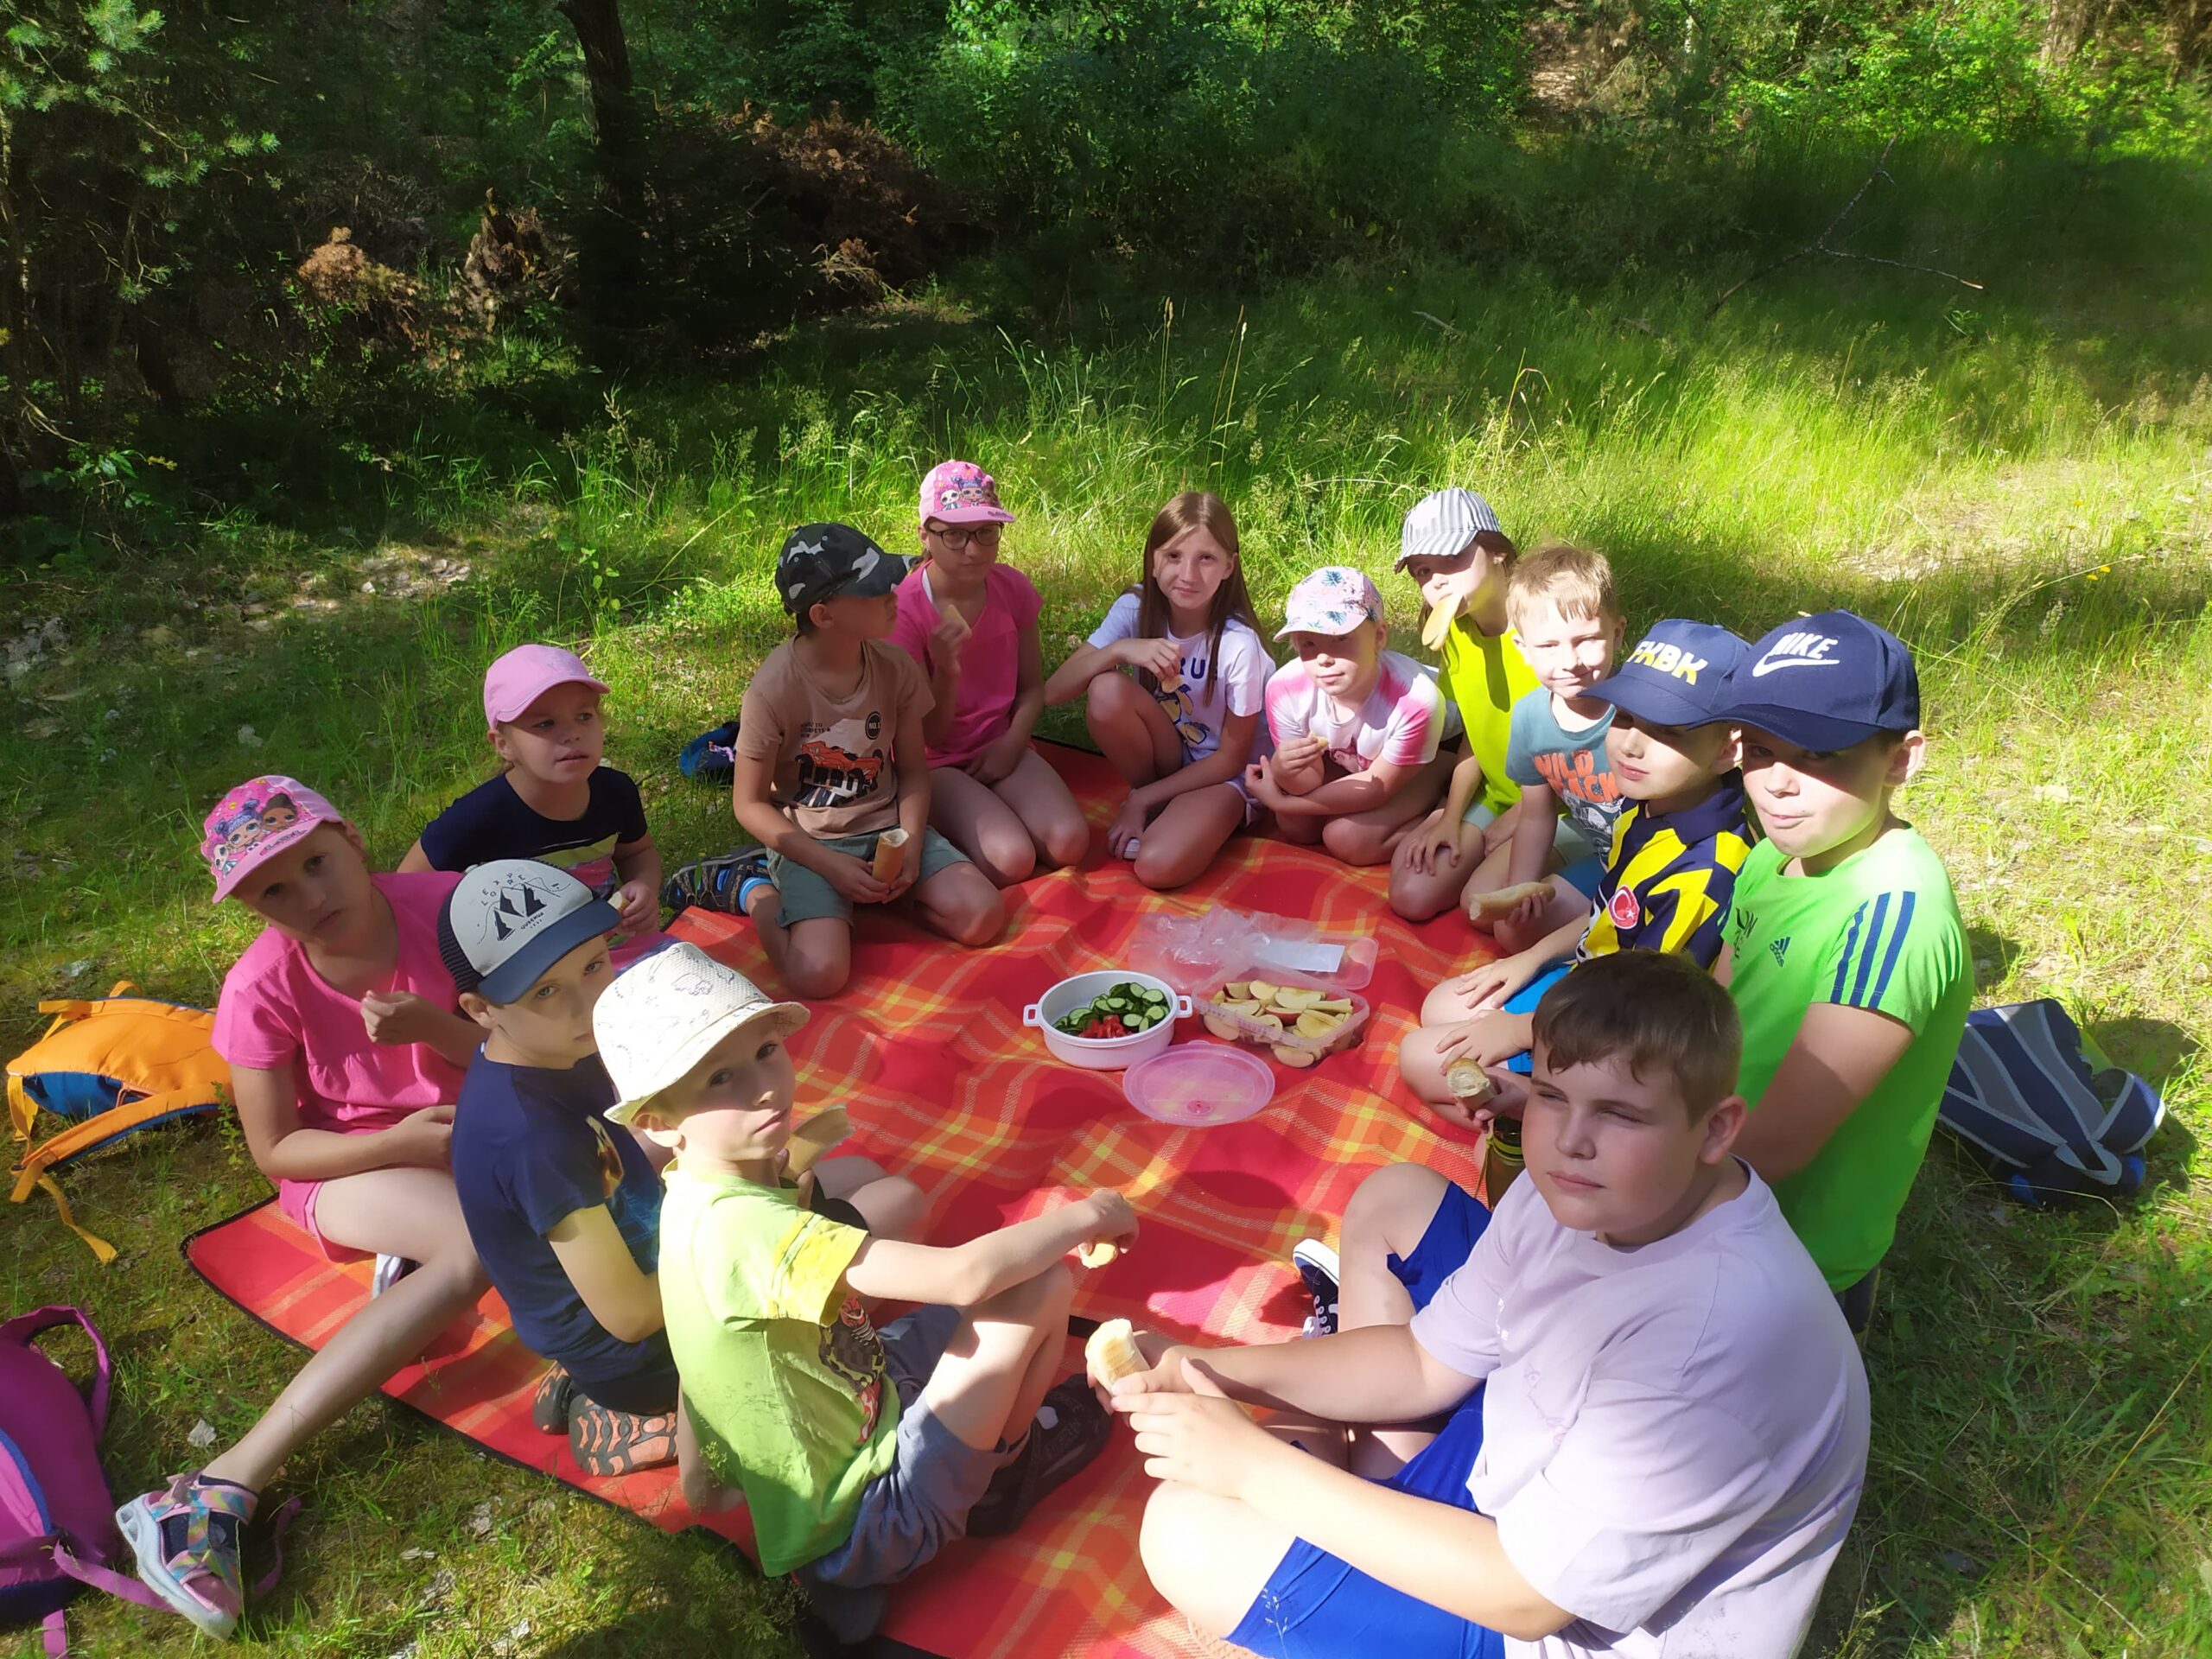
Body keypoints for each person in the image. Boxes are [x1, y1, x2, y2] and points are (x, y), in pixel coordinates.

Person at [1110, 952, 1871, 1659]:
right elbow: (1422, 1362)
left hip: (1557, 1622)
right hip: (1524, 1466)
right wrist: (1208, 1365)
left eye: (1621, 1114)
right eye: (1551, 1096)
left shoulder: (1707, 1339)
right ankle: (1367, 1481)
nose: (1571, 1141)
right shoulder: (1586, 1188)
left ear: (1717, 1129)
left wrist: (1254, 1471)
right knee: (1397, 1196)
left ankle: (1350, 1484)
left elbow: (1530, 1599)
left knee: (1186, 1530)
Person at [594, 944, 1131, 1621]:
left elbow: (697, 1345)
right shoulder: (748, 1230)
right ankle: (1007, 1471)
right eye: (720, 1078)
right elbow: (964, 1276)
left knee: (997, 1291)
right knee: (1039, 1286)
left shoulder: (694, 1194)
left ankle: (950, 1472)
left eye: (766, 1051)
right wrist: (1091, 1213)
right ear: (658, 1122)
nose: (764, 1087)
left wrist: (704, 1480)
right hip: (872, 1516)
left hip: (854, 1409)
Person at [119, 778, 489, 1641]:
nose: (310, 897)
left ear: (352, 841)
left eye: (317, 864)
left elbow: (533, 1042)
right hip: (348, 1160)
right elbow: (277, 1150)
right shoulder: (260, 987)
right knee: (475, 1250)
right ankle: (217, 1486)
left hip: (479, 1121)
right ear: (251, 907)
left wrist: (437, 1033)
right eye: (274, 891)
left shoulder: (454, 908)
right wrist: (396, 1144)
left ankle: (413, 1268)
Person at [1713, 611, 1973, 1329]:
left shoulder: (1896, 914)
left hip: (1790, 1252)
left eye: (1820, 755)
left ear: (1901, 760)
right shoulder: (1772, 854)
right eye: (1760, 750)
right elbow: (1714, 1010)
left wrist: (1630, 1164)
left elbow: (1779, 1144)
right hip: (1704, 1170)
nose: (1777, 784)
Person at [1398, 620, 1754, 1114]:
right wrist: (1531, 958)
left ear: (1729, 749)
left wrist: (1521, 1029)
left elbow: (1644, 1016)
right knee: (1440, 1006)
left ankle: (1552, 1123)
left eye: (1668, 731)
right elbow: (1609, 912)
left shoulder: (1705, 873)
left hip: (1619, 1035)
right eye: (1625, 717)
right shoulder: (1647, 803)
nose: (1631, 745)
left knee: (1419, 1057)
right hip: (1590, 984)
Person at [723, 522, 1006, 998]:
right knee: (819, 976)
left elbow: (913, 772)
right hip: (812, 843)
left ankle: (873, 900)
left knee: (984, 916)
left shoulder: (894, 667)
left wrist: (910, 844)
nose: (894, 594)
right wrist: (829, 866)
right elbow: (748, 804)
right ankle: (755, 891)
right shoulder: (773, 690)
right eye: (874, 590)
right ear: (824, 614)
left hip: (887, 829)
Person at [1043, 490, 1272, 890]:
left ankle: (1159, 802)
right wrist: (1119, 650)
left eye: (1206, 558)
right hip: (1172, 753)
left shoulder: (1238, 644)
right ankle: (1162, 800)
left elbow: (1231, 758)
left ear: (1229, 567)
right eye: (1173, 556)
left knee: (1156, 866)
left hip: (1227, 775)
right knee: (1106, 690)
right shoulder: (1136, 607)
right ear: (1153, 561)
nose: (1188, 574)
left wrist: (1141, 798)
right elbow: (1054, 691)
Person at [887, 460, 1090, 887]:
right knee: (1012, 859)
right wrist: (947, 670)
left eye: (985, 532)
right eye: (954, 535)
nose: (973, 550)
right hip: (935, 763)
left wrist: (1012, 744)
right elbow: (930, 736)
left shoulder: (1012, 588)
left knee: (1070, 842)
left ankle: (989, 809)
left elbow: (1031, 688)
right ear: (924, 534)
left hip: (1000, 742)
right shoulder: (904, 612)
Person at [399, 643, 663, 949]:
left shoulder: (616, 792)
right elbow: (406, 888)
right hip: (519, 969)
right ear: (503, 744)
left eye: (583, 716)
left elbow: (637, 853)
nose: (572, 733)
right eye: (545, 723)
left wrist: (643, 885)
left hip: (607, 950)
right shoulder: (479, 816)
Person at [1389, 490, 1570, 922]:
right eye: (1423, 571)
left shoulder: (1548, 637)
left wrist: (1516, 822)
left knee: (1485, 907)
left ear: (1498, 552)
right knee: (1409, 893)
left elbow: (1580, 749)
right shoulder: (1455, 633)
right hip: (1497, 793)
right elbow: (1475, 735)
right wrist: (1450, 817)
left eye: (1452, 559)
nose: (1437, 582)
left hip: (1561, 805)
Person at [1460, 546, 1627, 956]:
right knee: (1509, 928)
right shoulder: (1530, 717)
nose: (1570, 661)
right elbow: (1536, 814)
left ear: (1617, 633)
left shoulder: (1637, 714)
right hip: (1600, 853)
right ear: (1522, 648)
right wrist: (1522, 887)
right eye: (1549, 645)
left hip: (1651, 863)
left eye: (1586, 640)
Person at [1248, 566, 1459, 866]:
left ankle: (1445, 792)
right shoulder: (1284, 689)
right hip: (1360, 761)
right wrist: (1284, 770)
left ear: (1379, 636)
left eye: (1340, 638)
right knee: (1298, 828)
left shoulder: (1415, 700)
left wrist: (1283, 802)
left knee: (1346, 838)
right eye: (1309, 643)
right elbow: (1305, 781)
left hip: (1437, 751)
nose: (1323, 658)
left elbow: (1376, 789)